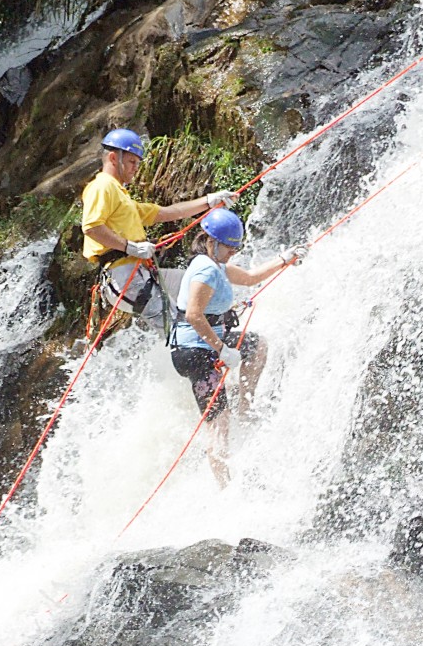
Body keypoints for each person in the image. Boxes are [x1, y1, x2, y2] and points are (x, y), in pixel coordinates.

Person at [170, 208, 309, 486]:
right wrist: (222, 349)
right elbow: (194, 315)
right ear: (211, 241)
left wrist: (284, 260)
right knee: (219, 426)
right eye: (229, 248)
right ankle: (225, 487)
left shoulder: (217, 265)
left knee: (256, 346)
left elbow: (249, 278)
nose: (232, 253)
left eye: (236, 248)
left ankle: (245, 406)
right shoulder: (205, 270)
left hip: (208, 342)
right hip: (194, 353)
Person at [81, 128, 237, 321]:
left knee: (202, 283)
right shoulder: (102, 186)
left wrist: (209, 201)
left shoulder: (122, 196)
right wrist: (130, 247)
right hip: (125, 278)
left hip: (141, 273)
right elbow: (91, 227)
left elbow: (168, 213)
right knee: (177, 328)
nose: (135, 168)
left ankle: (220, 327)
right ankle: (209, 344)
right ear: (113, 158)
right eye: (131, 161)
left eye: (137, 163)